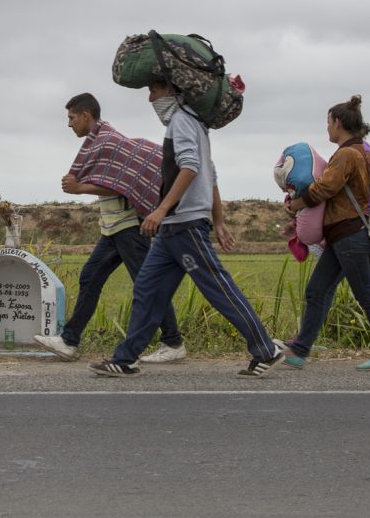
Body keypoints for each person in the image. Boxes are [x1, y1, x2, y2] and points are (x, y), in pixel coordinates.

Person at [90, 80, 285, 379]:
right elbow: (212, 172)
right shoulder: (194, 122)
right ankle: (125, 359)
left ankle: (265, 349)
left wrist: (162, 208)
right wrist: (218, 220)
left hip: (185, 225)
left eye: (153, 91)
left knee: (218, 287)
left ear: (171, 90)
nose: (150, 99)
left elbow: (192, 166)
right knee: (147, 288)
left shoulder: (181, 121)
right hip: (173, 229)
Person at [34, 93, 187, 364]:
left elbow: (121, 184)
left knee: (146, 284)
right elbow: (113, 179)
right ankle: (69, 340)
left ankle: (173, 341)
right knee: (90, 277)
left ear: (86, 115)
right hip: (113, 227)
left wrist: (80, 188)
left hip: (128, 226)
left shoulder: (108, 141)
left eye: (71, 118)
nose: (69, 124)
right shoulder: (98, 143)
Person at [281, 96, 370, 370]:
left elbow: (324, 189)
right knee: (317, 290)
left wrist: (297, 204)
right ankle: (299, 351)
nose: (327, 128)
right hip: (349, 234)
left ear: (338, 123)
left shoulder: (346, 155)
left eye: (328, 122)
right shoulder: (359, 153)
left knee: (365, 294)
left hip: (349, 235)